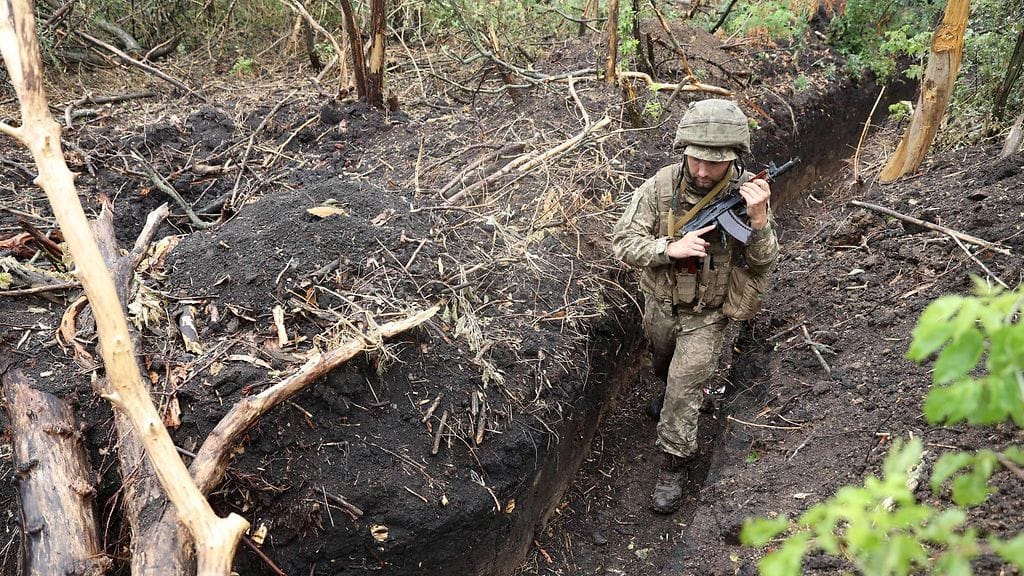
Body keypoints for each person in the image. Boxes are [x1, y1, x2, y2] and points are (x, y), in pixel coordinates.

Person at [611, 99, 780, 514]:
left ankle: (674, 462)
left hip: (709, 313)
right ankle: (666, 393)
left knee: (685, 388)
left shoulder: (749, 195)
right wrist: (669, 247)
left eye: (715, 164)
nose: (703, 171)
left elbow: (762, 263)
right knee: (663, 364)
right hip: (661, 304)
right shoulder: (662, 186)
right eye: (696, 159)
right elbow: (622, 241)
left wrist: (758, 221)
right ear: (683, 149)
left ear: (734, 159)